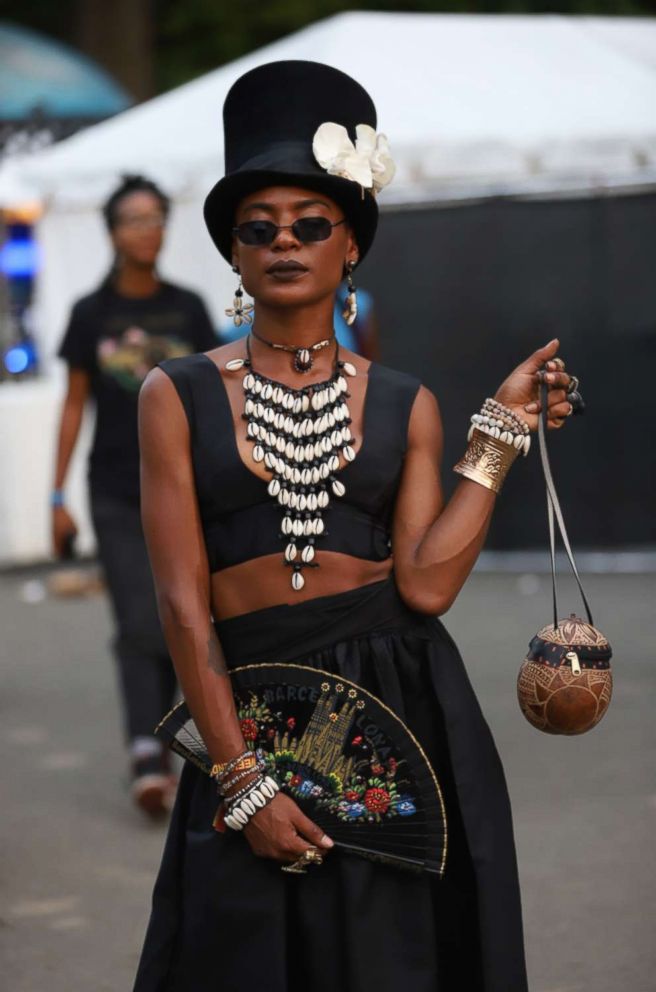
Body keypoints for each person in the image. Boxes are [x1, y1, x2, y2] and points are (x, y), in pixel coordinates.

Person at [133, 63, 578, 991]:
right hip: (248, 705)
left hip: (402, 706)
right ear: (235, 255)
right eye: (259, 228)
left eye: (310, 224)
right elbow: (181, 602)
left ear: (351, 247)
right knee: (246, 951)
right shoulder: (172, 394)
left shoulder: (408, 403)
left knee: (395, 961)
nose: (283, 242)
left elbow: (425, 586)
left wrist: (498, 430)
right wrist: (241, 779)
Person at [52, 175, 218, 817]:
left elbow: (215, 398)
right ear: (113, 231)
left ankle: (186, 739)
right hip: (116, 491)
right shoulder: (91, 314)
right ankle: (145, 753)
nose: (147, 229)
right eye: (134, 219)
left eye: (156, 218)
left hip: (187, 489)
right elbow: (73, 405)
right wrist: (54, 496)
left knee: (186, 611)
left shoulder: (190, 307)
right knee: (136, 620)